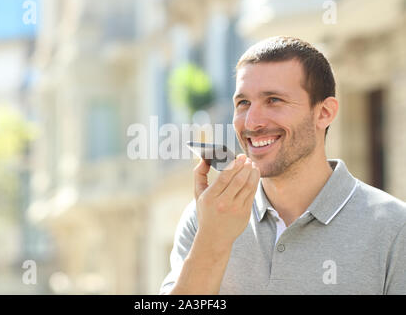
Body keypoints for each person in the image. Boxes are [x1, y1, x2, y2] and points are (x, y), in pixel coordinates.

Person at [159, 36, 406, 295]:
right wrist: (212, 242)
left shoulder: (395, 229)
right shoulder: (207, 218)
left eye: (274, 100)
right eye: (243, 103)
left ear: (324, 113)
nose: (252, 122)